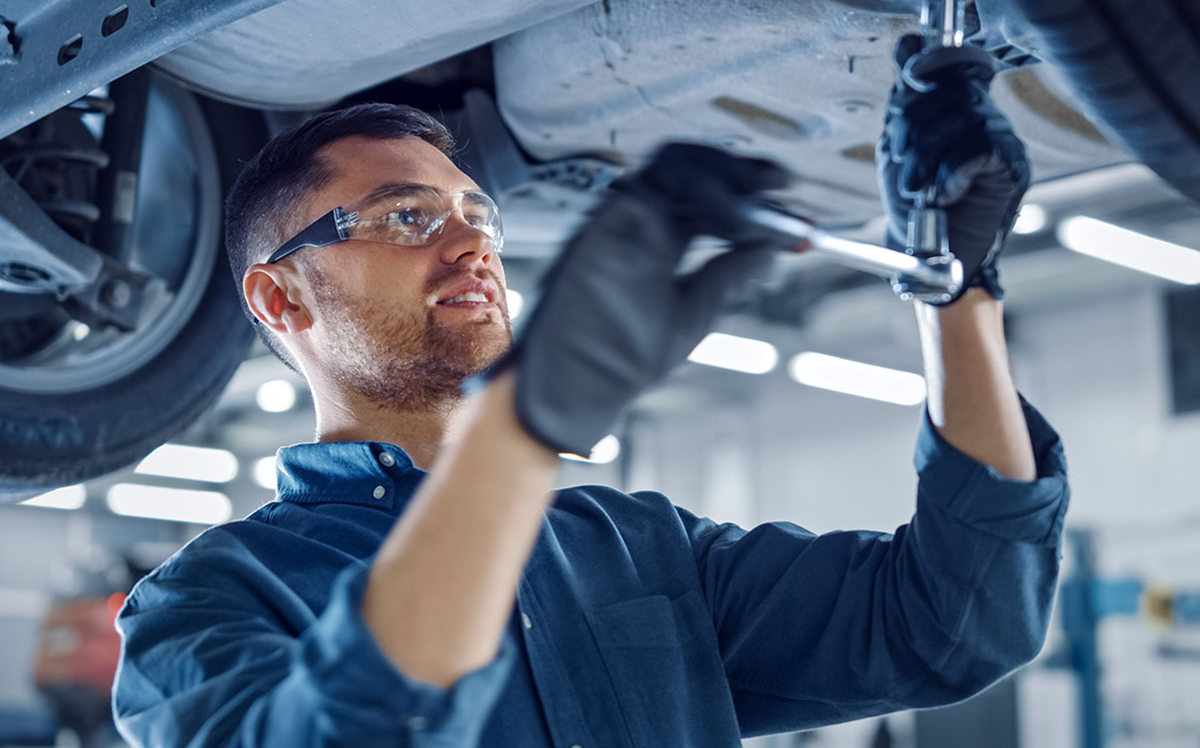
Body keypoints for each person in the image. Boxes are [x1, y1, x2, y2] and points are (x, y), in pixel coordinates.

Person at [111, 41, 1069, 747]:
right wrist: (520, 431)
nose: (471, 245)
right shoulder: (201, 604)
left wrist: (959, 286)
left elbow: (955, 624)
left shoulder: (643, 549)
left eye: (477, 216)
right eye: (407, 217)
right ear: (279, 296)